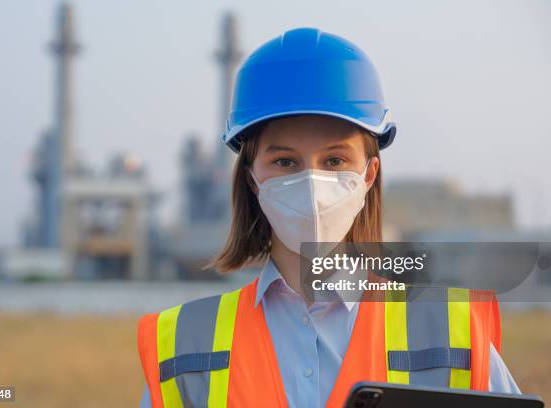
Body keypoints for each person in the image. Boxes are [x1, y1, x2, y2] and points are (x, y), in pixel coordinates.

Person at [137, 27, 520, 408]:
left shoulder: (454, 335)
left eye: (334, 161)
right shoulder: (183, 347)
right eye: (285, 162)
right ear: (252, 179)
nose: (311, 183)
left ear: (368, 175)